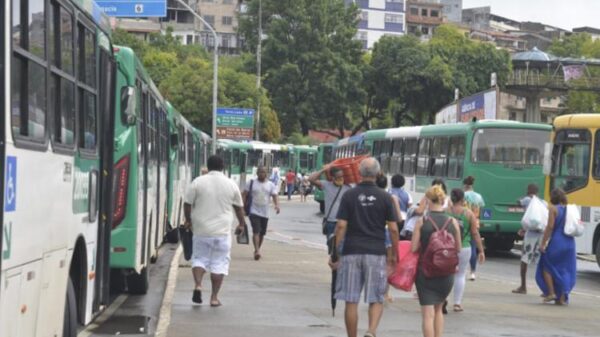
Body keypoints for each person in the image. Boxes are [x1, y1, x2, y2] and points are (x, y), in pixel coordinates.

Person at [330, 158, 400, 337]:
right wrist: (395, 255)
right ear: (378, 174)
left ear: (359, 173)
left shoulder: (349, 195)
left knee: (351, 300)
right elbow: (393, 228)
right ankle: (371, 331)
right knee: (377, 297)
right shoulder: (385, 197)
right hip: (376, 253)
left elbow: (341, 226)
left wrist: (335, 252)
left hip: (351, 252)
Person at [183, 155, 246, 307]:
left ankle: (198, 285)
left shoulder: (198, 182)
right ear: (222, 166)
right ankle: (214, 298)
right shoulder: (231, 184)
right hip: (222, 232)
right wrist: (242, 224)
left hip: (201, 230)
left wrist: (188, 220)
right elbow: (239, 208)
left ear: (208, 166)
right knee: (219, 264)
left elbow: (187, 204)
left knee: (199, 259)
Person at [411, 185, 461, 337]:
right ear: (443, 200)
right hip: (446, 273)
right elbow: (458, 248)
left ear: (427, 200)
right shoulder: (453, 222)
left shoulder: (422, 221)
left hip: (426, 273)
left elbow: (413, 248)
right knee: (439, 310)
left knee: (428, 314)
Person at [447, 188, 485, 312]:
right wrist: (481, 250)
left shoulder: (446, 211)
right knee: (460, 274)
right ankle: (457, 303)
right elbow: (475, 233)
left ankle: (443, 299)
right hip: (464, 247)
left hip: (447, 247)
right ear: (463, 199)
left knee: (446, 273)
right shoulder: (469, 214)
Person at [536, 188, 576, 305]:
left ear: (552, 197)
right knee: (565, 270)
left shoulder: (552, 209)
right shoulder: (569, 209)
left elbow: (550, 227)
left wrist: (543, 243)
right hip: (569, 242)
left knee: (547, 266)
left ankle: (551, 292)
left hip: (557, 242)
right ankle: (562, 298)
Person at [512, 184, 546, 295]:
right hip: (541, 234)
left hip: (531, 235)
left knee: (524, 260)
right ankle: (545, 288)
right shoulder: (543, 202)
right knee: (541, 261)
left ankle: (523, 286)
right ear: (537, 192)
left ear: (528, 191)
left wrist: (524, 197)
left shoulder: (527, 200)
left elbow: (518, 202)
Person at [242, 166, 281, 261]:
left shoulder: (270, 185)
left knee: (262, 233)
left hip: (265, 212)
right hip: (253, 211)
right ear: (257, 173)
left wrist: (277, 205)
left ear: (266, 174)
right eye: (260, 172)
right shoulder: (251, 183)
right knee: (256, 231)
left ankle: (257, 249)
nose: (262, 174)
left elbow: (275, 195)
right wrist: (242, 207)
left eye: (263, 172)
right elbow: (244, 194)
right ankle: (257, 250)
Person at [308, 166, 351, 244]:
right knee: (332, 248)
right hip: (330, 223)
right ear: (332, 177)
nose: (340, 178)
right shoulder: (326, 185)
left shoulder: (347, 188)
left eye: (342, 176)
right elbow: (311, 179)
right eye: (338, 177)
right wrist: (323, 170)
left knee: (342, 248)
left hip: (343, 223)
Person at [463, 176, 485, 281]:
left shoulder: (463, 195)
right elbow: (481, 209)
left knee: (461, 246)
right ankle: (472, 272)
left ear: (465, 185)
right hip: (475, 223)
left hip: (464, 223)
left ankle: (460, 269)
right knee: (473, 247)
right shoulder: (479, 196)